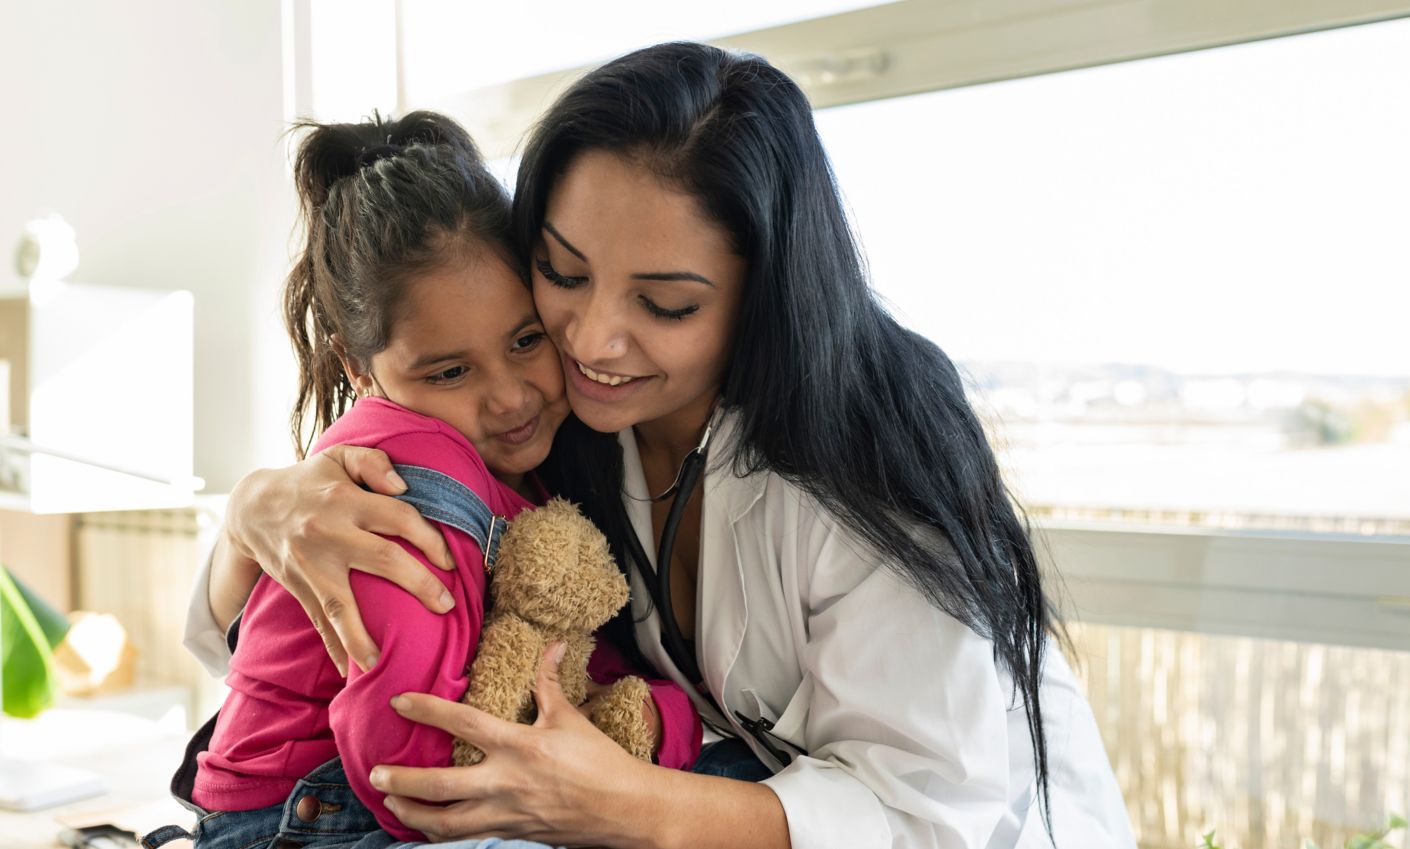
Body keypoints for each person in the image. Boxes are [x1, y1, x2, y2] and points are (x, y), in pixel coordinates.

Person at [186, 43, 1136, 849]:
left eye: (666, 304)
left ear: (765, 292)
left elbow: (928, 811)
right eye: (561, 274)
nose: (590, 341)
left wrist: (615, 800)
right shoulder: (549, 425)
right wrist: (252, 516)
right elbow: (264, 658)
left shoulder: (865, 453)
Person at [159, 111, 698, 849]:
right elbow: (408, 758)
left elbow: (568, 649)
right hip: (314, 816)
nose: (509, 395)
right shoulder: (405, 473)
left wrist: (654, 721)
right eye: (449, 370)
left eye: (525, 339)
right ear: (359, 368)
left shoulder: (529, 467)